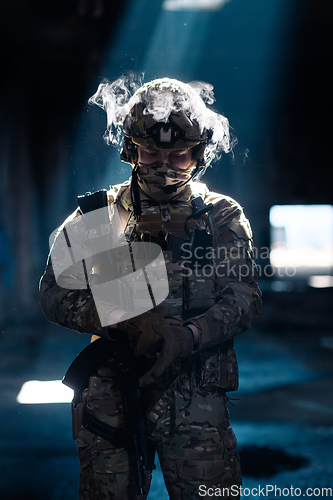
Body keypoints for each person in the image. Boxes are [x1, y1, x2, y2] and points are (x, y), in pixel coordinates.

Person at [40, 77, 262, 499]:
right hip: (113, 396)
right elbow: (53, 293)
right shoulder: (96, 217)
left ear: (198, 154)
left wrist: (188, 335)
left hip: (197, 400)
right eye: (151, 152)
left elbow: (244, 298)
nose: (163, 164)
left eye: (178, 155)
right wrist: (123, 318)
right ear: (130, 149)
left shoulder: (221, 217)